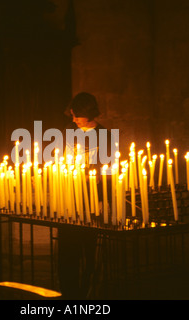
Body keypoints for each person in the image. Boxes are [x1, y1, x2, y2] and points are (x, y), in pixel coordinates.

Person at [57, 92, 113, 299]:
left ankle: (89, 293)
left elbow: (108, 170)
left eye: (76, 115)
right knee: (67, 250)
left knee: (90, 250)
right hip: (70, 197)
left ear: (88, 114)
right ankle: (68, 293)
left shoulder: (105, 135)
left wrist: (100, 185)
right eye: (72, 115)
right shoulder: (70, 130)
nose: (73, 120)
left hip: (93, 200)